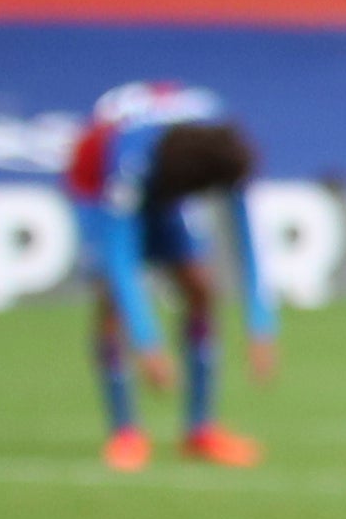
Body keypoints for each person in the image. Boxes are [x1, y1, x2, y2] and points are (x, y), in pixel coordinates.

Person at [67, 82, 275, 472]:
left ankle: (199, 429)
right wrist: (149, 343)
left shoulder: (224, 149)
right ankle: (125, 432)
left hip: (163, 179)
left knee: (200, 284)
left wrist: (261, 324)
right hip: (94, 188)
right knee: (111, 299)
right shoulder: (131, 163)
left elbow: (247, 239)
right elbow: (120, 257)